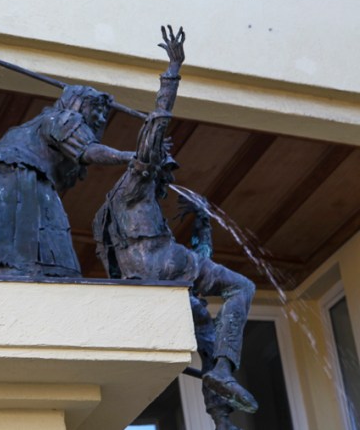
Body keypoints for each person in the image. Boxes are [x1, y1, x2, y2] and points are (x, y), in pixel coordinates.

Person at [92, 26, 258, 428]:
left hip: (161, 266)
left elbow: (200, 261)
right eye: (166, 164)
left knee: (203, 323)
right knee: (242, 287)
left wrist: (202, 225)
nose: (169, 173)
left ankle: (220, 414)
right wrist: (173, 72)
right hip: (158, 263)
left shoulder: (129, 202)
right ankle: (223, 376)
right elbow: (155, 129)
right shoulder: (135, 182)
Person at [0, 84, 134, 277]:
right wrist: (131, 157)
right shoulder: (62, 118)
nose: (101, 119)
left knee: (3, 255)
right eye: (97, 110)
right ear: (78, 104)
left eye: (104, 114)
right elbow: (88, 151)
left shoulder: (31, 128)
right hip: (15, 183)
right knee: (35, 258)